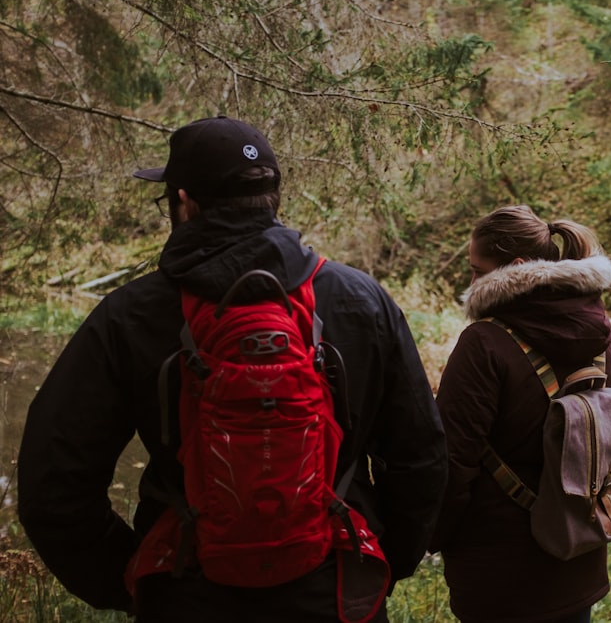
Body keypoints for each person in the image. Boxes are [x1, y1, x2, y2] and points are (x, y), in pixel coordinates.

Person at [16, 115, 448, 621]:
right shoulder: (361, 300)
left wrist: (128, 579)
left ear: (183, 202)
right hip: (332, 590)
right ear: (274, 199)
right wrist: (383, 562)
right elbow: (421, 457)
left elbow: (54, 482)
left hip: (185, 590)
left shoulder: (131, 314)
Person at [430, 204, 611, 623]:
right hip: (578, 555)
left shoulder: (483, 344)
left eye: (477, 271)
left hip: (499, 576)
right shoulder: (601, 337)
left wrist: (431, 538)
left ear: (516, 268)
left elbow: (451, 464)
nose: (470, 282)